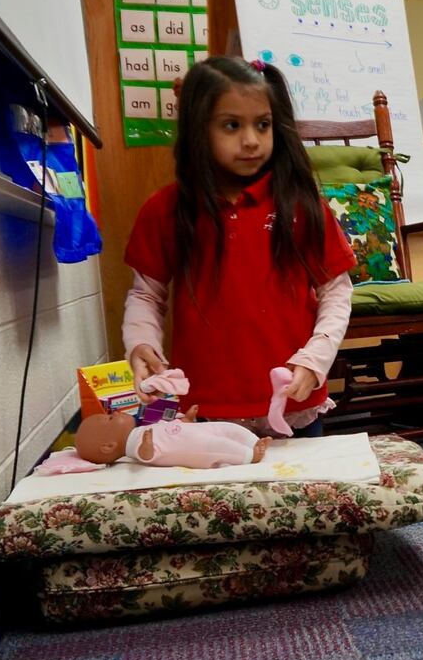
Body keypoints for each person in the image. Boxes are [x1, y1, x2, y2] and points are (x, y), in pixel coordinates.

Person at [122, 56, 355, 438]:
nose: (251, 140)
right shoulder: (166, 210)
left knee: (300, 497)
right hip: (204, 409)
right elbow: (146, 294)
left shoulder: (302, 205)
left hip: (291, 406)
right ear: (199, 129)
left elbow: (335, 292)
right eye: (232, 125)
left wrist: (315, 359)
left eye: (262, 125)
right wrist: (141, 343)